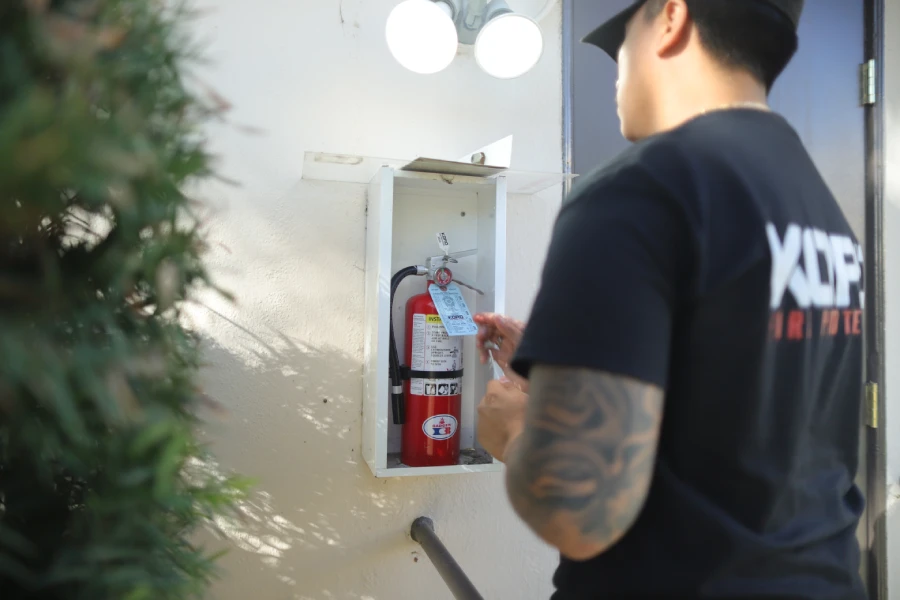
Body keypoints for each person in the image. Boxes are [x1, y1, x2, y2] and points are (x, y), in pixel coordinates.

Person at [474, 0, 867, 598]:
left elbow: (577, 508)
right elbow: (746, 397)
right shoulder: (819, 207)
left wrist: (516, 430)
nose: (616, 73)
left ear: (670, 18)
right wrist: (567, 359)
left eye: (621, 41)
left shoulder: (640, 188)